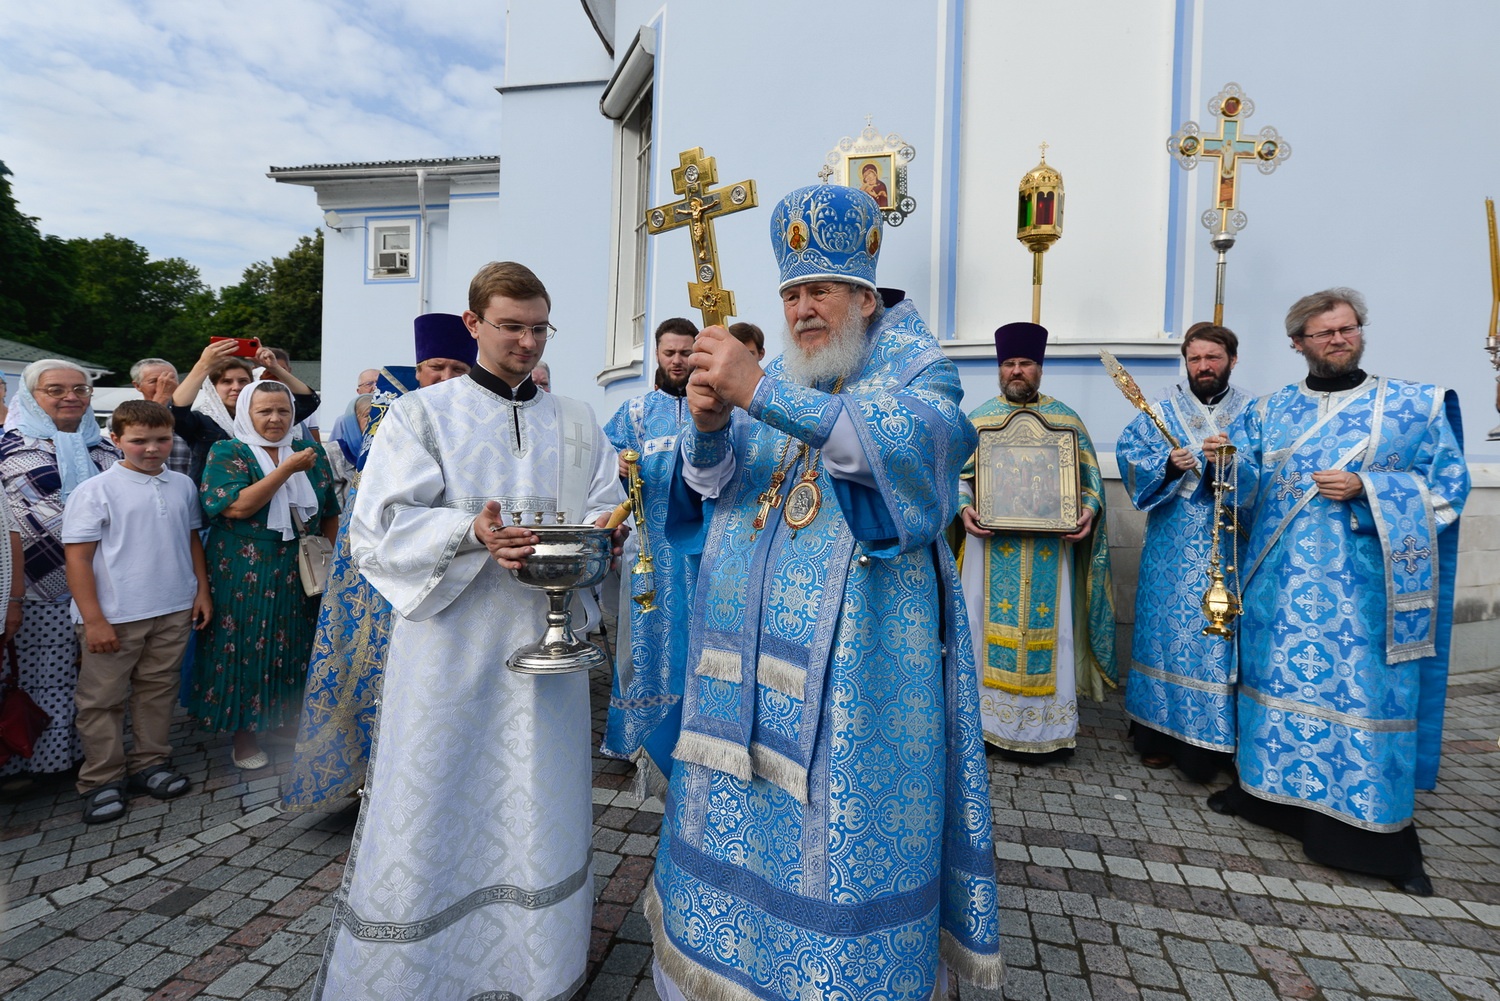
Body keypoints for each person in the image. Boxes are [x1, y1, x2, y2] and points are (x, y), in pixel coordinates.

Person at [627, 185, 1002, 1001]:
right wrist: (710, 424)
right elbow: (714, 489)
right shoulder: (789, 372)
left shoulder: (918, 368)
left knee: (837, 838)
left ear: (864, 298)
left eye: (819, 291)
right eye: (792, 293)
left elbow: (911, 450)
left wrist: (756, 392)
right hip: (742, 670)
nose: (802, 309)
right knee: (743, 820)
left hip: (861, 671)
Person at [315, 263, 625, 1000]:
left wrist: (612, 534)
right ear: (474, 323)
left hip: (548, 651)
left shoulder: (578, 418)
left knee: (540, 791)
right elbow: (376, 527)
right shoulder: (421, 414)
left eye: (538, 328)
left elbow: (609, 504)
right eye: (511, 325)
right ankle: (421, 968)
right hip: (453, 646)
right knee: (442, 792)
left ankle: (538, 962)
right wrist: (468, 531)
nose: (524, 340)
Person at [1204, 288, 1469, 896]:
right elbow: (1243, 490)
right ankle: (1269, 800)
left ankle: (1373, 839)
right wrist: (1224, 463)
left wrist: (1370, 489)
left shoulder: (1411, 406)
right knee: (1275, 692)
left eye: (1347, 329)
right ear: (1297, 343)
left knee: (1365, 700)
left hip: (1367, 593)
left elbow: (1448, 490)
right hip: (1280, 589)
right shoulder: (1268, 412)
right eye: (1323, 333)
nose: (1338, 340)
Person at [282, 313, 478, 813]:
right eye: (436, 367)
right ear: (419, 367)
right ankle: (363, 777)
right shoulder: (396, 410)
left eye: (459, 367)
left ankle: (432, 777)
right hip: (375, 562)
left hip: (452, 556)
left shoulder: (480, 414)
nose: (447, 378)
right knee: (370, 663)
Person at [958, 322, 1115, 763]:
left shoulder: (1066, 421)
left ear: (1040, 368)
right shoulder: (979, 420)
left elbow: (1090, 485)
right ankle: (985, 727)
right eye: (1009, 363)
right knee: (981, 628)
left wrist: (1087, 509)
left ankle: (1047, 731)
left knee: (1052, 628)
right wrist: (962, 508)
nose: (1016, 371)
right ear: (999, 369)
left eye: (1025, 363)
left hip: (1051, 552)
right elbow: (957, 477)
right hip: (988, 548)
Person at [62, 401, 211, 824]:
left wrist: (200, 591)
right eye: (139, 441)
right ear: (116, 440)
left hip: (172, 607)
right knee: (101, 701)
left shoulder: (182, 484)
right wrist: (93, 619)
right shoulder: (95, 491)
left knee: (157, 691)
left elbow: (192, 540)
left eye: (161, 439)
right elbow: (77, 558)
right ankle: (102, 780)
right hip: (116, 614)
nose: (151, 448)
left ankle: (149, 764)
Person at [1117, 323, 1252, 780]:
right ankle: (1156, 732)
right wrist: (1167, 464)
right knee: (1165, 635)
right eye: (1195, 359)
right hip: (1172, 546)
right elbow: (1130, 455)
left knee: (1219, 637)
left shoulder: (1254, 412)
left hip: (1232, 545)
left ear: (1232, 359)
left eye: (1213, 357)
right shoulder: (1162, 410)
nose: (1204, 367)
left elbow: (1269, 470)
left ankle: (1212, 748)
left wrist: (1228, 464)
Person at [190, 380, 339, 771]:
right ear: (246, 414)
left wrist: (334, 560)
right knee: (243, 647)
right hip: (243, 566)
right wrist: (286, 468)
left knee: (292, 643)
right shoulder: (230, 451)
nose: (275, 419)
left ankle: (282, 720)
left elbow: (329, 510)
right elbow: (234, 507)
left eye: (283, 411)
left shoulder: (312, 453)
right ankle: (244, 735)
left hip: (297, 566)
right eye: (265, 411)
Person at [0, 361, 121, 782]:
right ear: (31, 396)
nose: (71, 396)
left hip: (105, 586)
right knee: (39, 676)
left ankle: (88, 759)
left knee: (95, 680)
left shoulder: (109, 450)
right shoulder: (7, 449)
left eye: (80, 389)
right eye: (56, 389)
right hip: (34, 587)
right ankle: (37, 762)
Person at [601, 316, 698, 789]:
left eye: (685, 352)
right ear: (657, 355)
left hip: (700, 552)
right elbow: (600, 467)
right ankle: (638, 736)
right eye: (669, 353)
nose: (678, 361)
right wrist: (614, 463)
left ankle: (696, 728)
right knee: (644, 638)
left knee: (694, 637)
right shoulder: (635, 413)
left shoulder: (716, 406)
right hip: (650, 552)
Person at [171, 341, 320, 485]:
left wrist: (274, 368)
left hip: (268, 499)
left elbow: (309, 401)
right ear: (213, 387)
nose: (236, 387)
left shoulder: (268, 417)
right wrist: (203, 365)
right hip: (216, 504)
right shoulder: (202, 420)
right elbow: (177, 415)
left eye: (243, 381)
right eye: (226, 381)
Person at [130, 358, 193, 478]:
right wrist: (162, 397)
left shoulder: (193, 418)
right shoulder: (124, 417)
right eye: (154, 381)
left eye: (170, 379)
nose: (164, 384)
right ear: (137, 385)